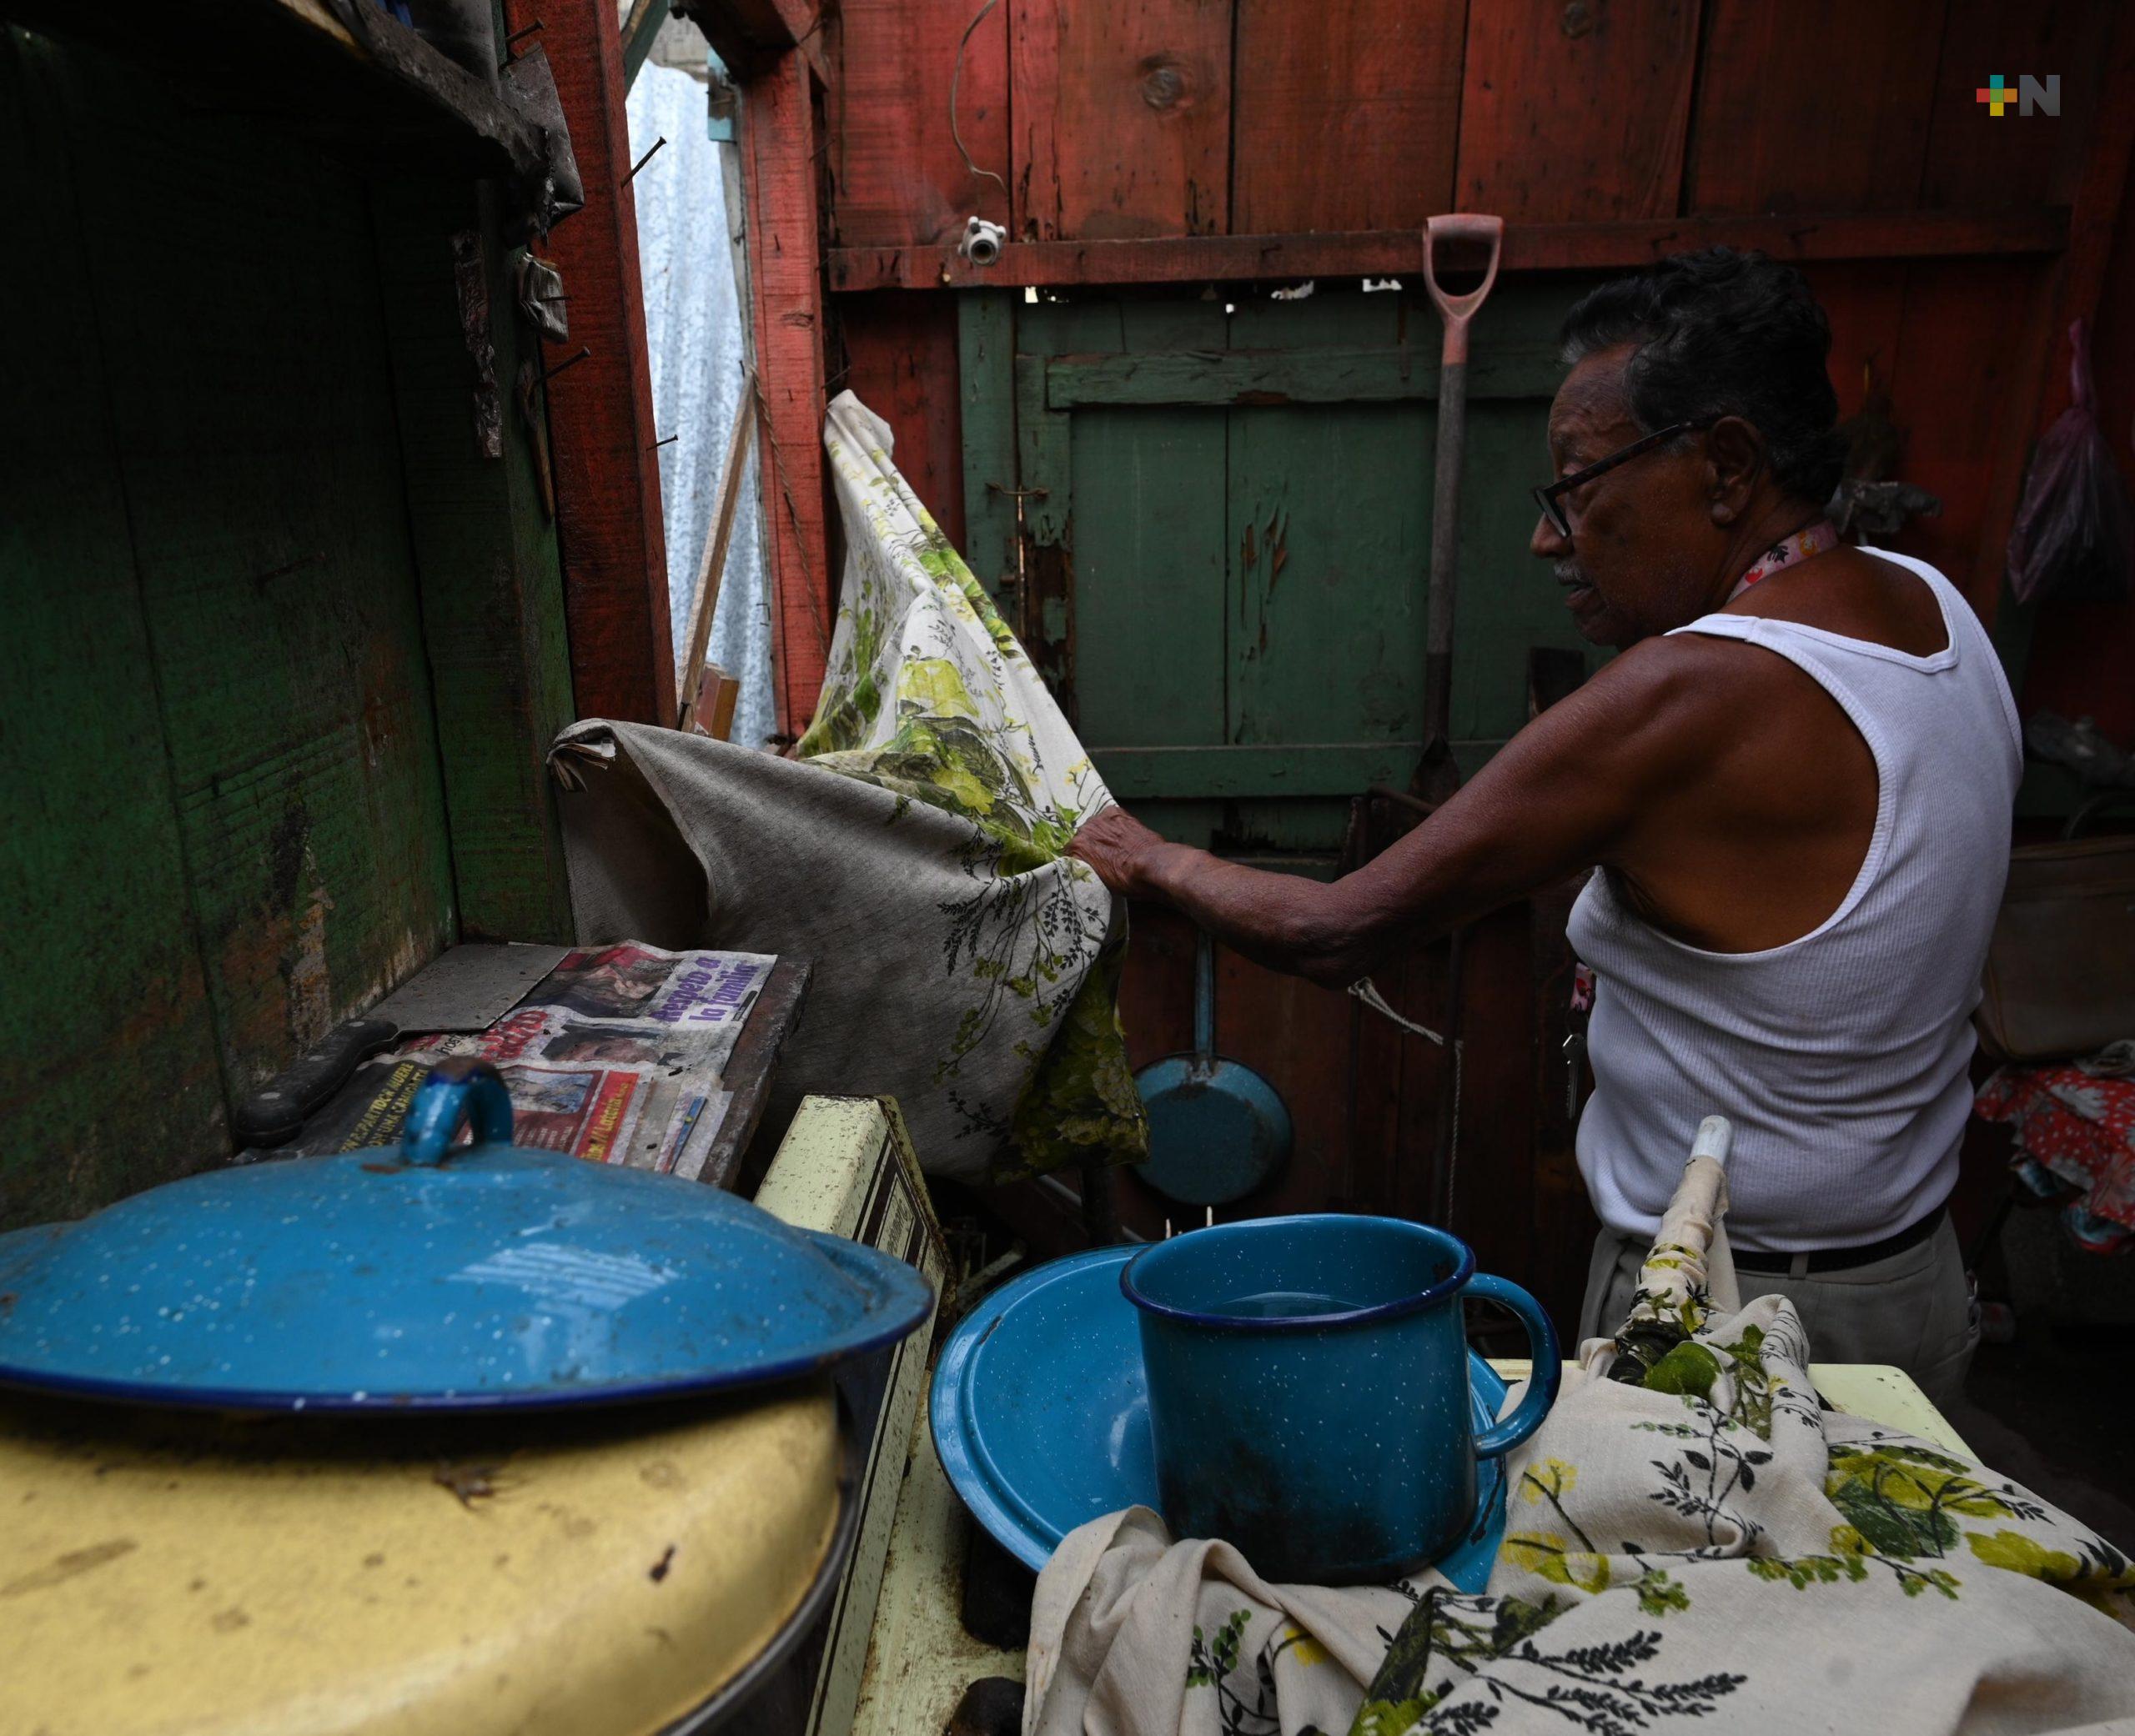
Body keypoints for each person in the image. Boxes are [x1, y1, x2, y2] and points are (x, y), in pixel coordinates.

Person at [1068, 248, 2017, 1408]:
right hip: (1914, 1285)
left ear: (1725, 468)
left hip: (1729, 1319)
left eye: (1577, 485)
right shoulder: (1936, 611)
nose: (1549, 537)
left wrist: (1144, 854)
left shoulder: (1690, 696)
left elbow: (1341, 927)